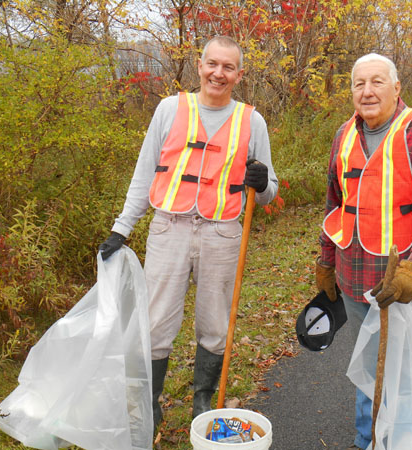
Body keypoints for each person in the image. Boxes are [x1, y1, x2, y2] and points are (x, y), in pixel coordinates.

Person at [98, 36, 278, 430]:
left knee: (215, 324)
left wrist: (262, 182)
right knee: (156, 322)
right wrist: (122, 228)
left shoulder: (253, 120)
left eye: (228, 67)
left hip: (223, 233)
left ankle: (202, 403)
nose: (219, 73)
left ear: (239, 75)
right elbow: (145, 174)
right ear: (199, 66)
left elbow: (268, 193)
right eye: (212, 64)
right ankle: (151, 407)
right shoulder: (169, 109)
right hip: (169, 228)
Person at [315, 53, 412, 449]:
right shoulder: (344, 134)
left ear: (397, 89)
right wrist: (326, 261)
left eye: (377, 82)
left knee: (404, 376)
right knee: (367, 370)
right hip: (353, 279)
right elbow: (335, 205)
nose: (367, 91)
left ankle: (406, 443)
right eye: (359, 84)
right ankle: (369, 442)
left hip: (402, 286)